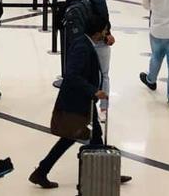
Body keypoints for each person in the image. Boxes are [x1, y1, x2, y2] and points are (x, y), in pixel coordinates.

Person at [29, 15, 132, 189]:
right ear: (99, 32)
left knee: (93, 136)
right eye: (105, 30)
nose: (107, 33)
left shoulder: (84, 43)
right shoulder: (83, 47)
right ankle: (42, 171)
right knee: (70, 138)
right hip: (76, 103)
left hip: (83, 101)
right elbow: (72, 75)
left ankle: (105, 170)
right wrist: (93, 91)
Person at [76, 0, 114, 122]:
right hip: (100, 41)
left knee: (85, 74)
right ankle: (103, 109)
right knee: (104, 74)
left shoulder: (78, 2)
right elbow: (104, 17)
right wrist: (107, 34)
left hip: (85, 41)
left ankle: (86, 107)